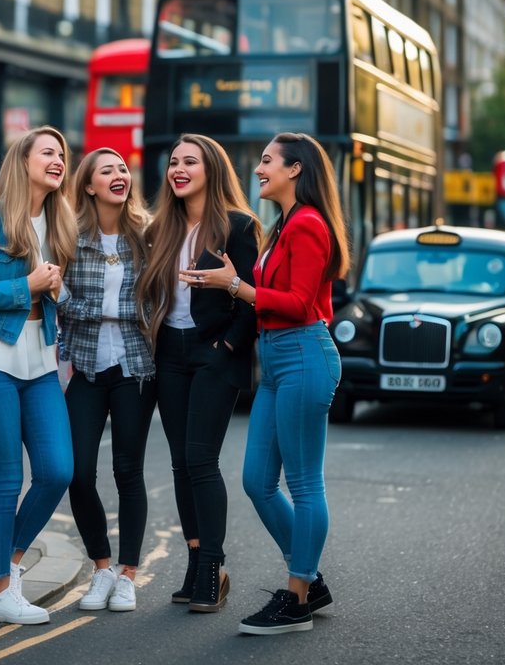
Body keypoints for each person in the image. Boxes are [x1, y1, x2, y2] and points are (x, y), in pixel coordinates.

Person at [185, 132, 347, 635]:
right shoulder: (282, 227)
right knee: (257, 480)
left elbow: (301, 303)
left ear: (295, 169)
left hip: (303, 352)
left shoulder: (309, 225)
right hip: (276, 359)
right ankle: (309, 576)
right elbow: (275, 293)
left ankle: (297, 597)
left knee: (303, 483)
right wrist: (240, 278)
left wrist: (235, 286)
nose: (258, 168)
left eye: (267, 161)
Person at [0, 125, 76, 625]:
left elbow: (58, 296)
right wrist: (27, 284)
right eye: (47, 151)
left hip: (39, 360)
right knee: (7, 479)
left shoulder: (59, 222)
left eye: (62, 154)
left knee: (56, 471)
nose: (58, 160)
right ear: (22, 161)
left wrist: (55, 291)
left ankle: (11, 565)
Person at [138, 134, 259, 614]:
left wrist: (225, 346)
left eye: (190, 161)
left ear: (212, 169)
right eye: (173, 162)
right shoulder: (161, 229)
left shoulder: (237, 226)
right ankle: (193, 561)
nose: (179, 169)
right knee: (179, 465)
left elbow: (252, 298)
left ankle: (213, 566)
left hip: (214, 354)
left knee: (201, 461)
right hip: (170, 352)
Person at [58, 148, 156, 613]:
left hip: (135, 369)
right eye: (107, 171)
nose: (119, 175)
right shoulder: (71, 238)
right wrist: (103, 313)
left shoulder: (149, 236)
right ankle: (101, 568)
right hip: (87, 369)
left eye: (123, 169)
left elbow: (160, 304)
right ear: (90, 186)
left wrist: (113, 314)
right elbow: (58, 299)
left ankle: (128, 575)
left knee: (127, 472)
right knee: (77, 473)